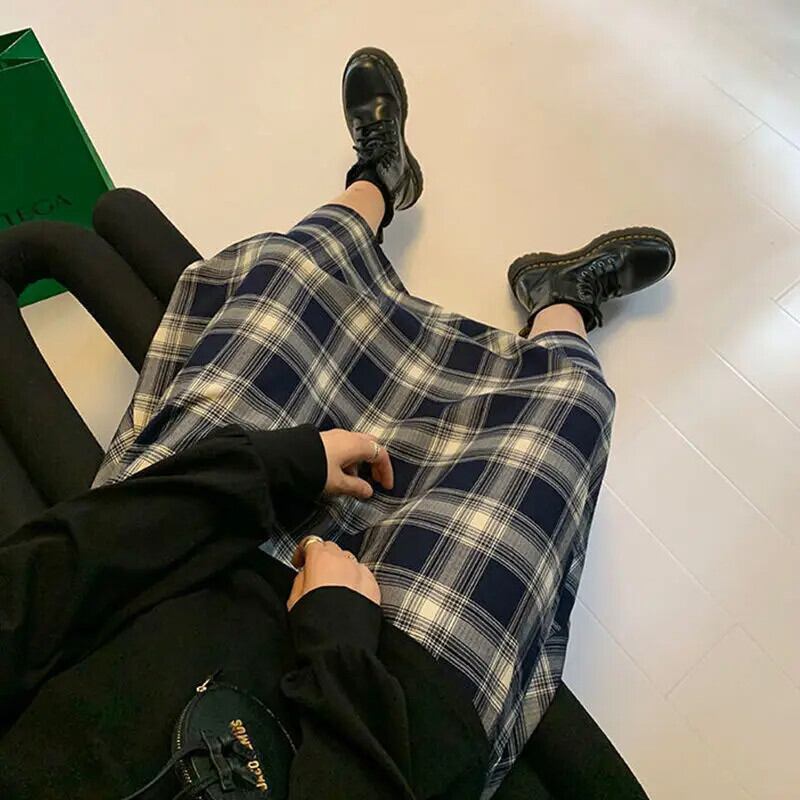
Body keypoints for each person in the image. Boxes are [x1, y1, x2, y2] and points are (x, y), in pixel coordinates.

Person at [0, 48, 674, 799]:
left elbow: (36, 589)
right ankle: (562, 305)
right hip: (388, 706)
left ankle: (378, 182)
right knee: (567, 421)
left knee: (289, 282)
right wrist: (340, 644)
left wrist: (268, 467)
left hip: (173, 579)